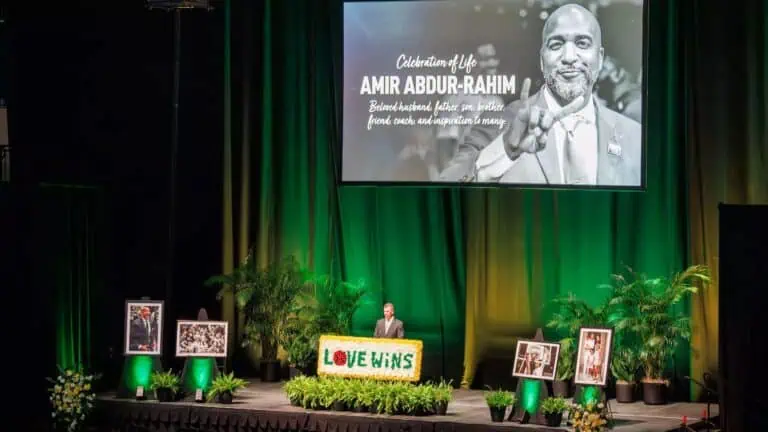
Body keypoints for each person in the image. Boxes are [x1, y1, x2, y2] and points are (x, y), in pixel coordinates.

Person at [440, 4, 642, 186]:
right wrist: (504, 151)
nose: (569, 57)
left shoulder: (633, 136)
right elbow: (445, 189)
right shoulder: (499, 124)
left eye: (582, 43)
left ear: (599, 58)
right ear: (542, 61)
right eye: (556, 44)